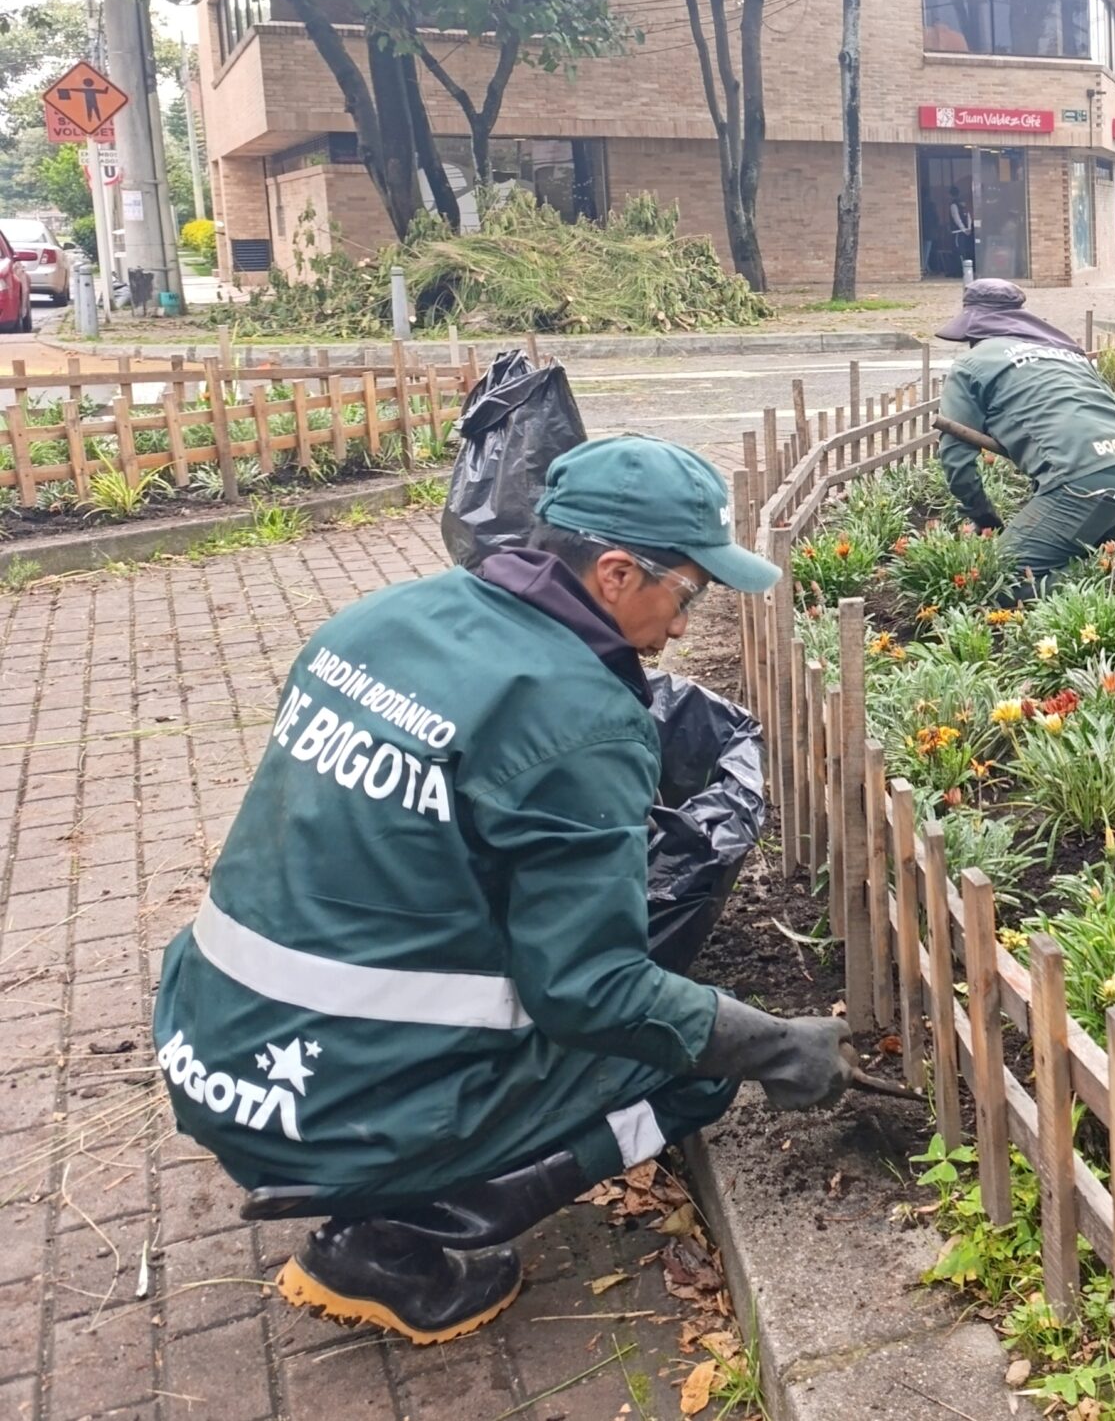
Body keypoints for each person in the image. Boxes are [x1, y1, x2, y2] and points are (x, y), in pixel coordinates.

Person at [153, 436, 852, 1345]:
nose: (684, 627)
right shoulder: (578, 720)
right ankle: (387, 1242)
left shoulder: (378, 622)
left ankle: (389, 1171)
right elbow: (589, 992)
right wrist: (768, 1043)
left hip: (212, 1046)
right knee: (689, 1072)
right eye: (688, 594)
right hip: (326, 1101)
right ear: (612, 572)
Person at [935, 278, 1115, 587]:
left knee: (1001, 581)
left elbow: (956, 459)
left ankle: (1108, 579)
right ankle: (1114, 581)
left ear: (972, 327)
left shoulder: (972, 364)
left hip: (1083, 485)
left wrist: (983, 516)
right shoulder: (1068, 355)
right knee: (1079, 554)